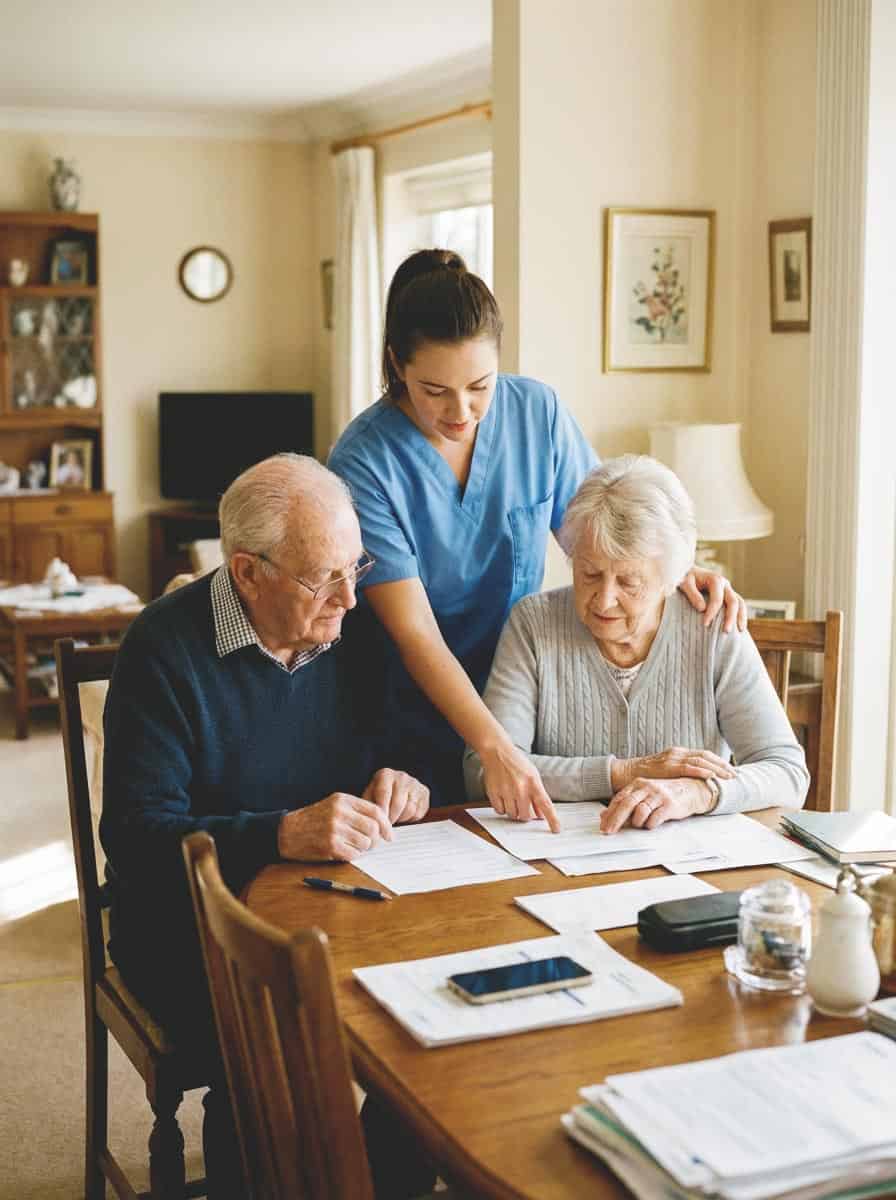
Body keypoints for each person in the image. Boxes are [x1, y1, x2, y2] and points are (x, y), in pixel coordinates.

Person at [101, 453, 435, 1200]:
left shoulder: (356, 627)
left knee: (433, 1015)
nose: (350, 597)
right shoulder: (162, 648)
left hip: (340, 905)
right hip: (187, 924)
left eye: (356, 567)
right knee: (272, 1042)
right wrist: (277, 834)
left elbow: (416, 745)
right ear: (248, 574)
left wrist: (408, 778)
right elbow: (134, 837)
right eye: (325, 578)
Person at [329, 249, 746, 822]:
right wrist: (494, 746)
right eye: (434, 390)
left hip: (520, 696)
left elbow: (606, 530)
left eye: (480, 386)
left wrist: (674, 572)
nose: (461, 411)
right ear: (398, 365)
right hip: (408, 713)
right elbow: (415, 633)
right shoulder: (364, 462)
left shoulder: (536, 414)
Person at [464, 455, 809, 827]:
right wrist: (622, 773)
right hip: (560, 852)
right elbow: (483, 771)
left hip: (690, 856)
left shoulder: (712, 627)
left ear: (672, 577)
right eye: (590, 573)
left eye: (628, 581)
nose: (604, 600)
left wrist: (698, 793)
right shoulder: (534, 624)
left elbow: (787, 773)